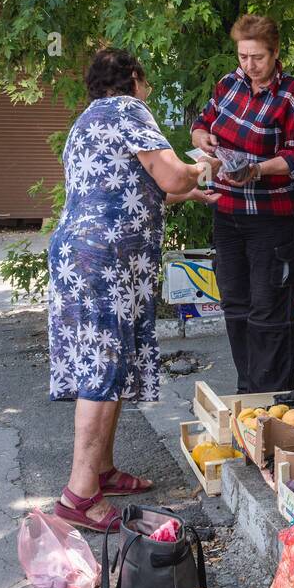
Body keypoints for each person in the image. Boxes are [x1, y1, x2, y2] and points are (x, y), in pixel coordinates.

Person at [48, 47, 221, 532]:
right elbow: (168, 172)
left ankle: (100, 470)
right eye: (145, 80)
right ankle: (79, 495)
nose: (148, 88)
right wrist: (203, 168)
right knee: (104, 368)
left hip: (81, 254)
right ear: (133, 78)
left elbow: (144, 186)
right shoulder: (129, 109)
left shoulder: (86, 122)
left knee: (111, 362)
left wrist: (189, 191)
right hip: (105, 258)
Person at [191, 14, 294, 394]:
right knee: (236, 308)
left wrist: (257, 169)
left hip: (272, 220)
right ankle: (248, 395)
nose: (249, 65)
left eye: (257, 57)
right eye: (243, 56)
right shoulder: (228, 84)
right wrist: (202, 139)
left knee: (269, 312)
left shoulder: (292, 95)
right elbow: (202, 121)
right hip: (228, 216)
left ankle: (274, 401)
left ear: (276, 53)